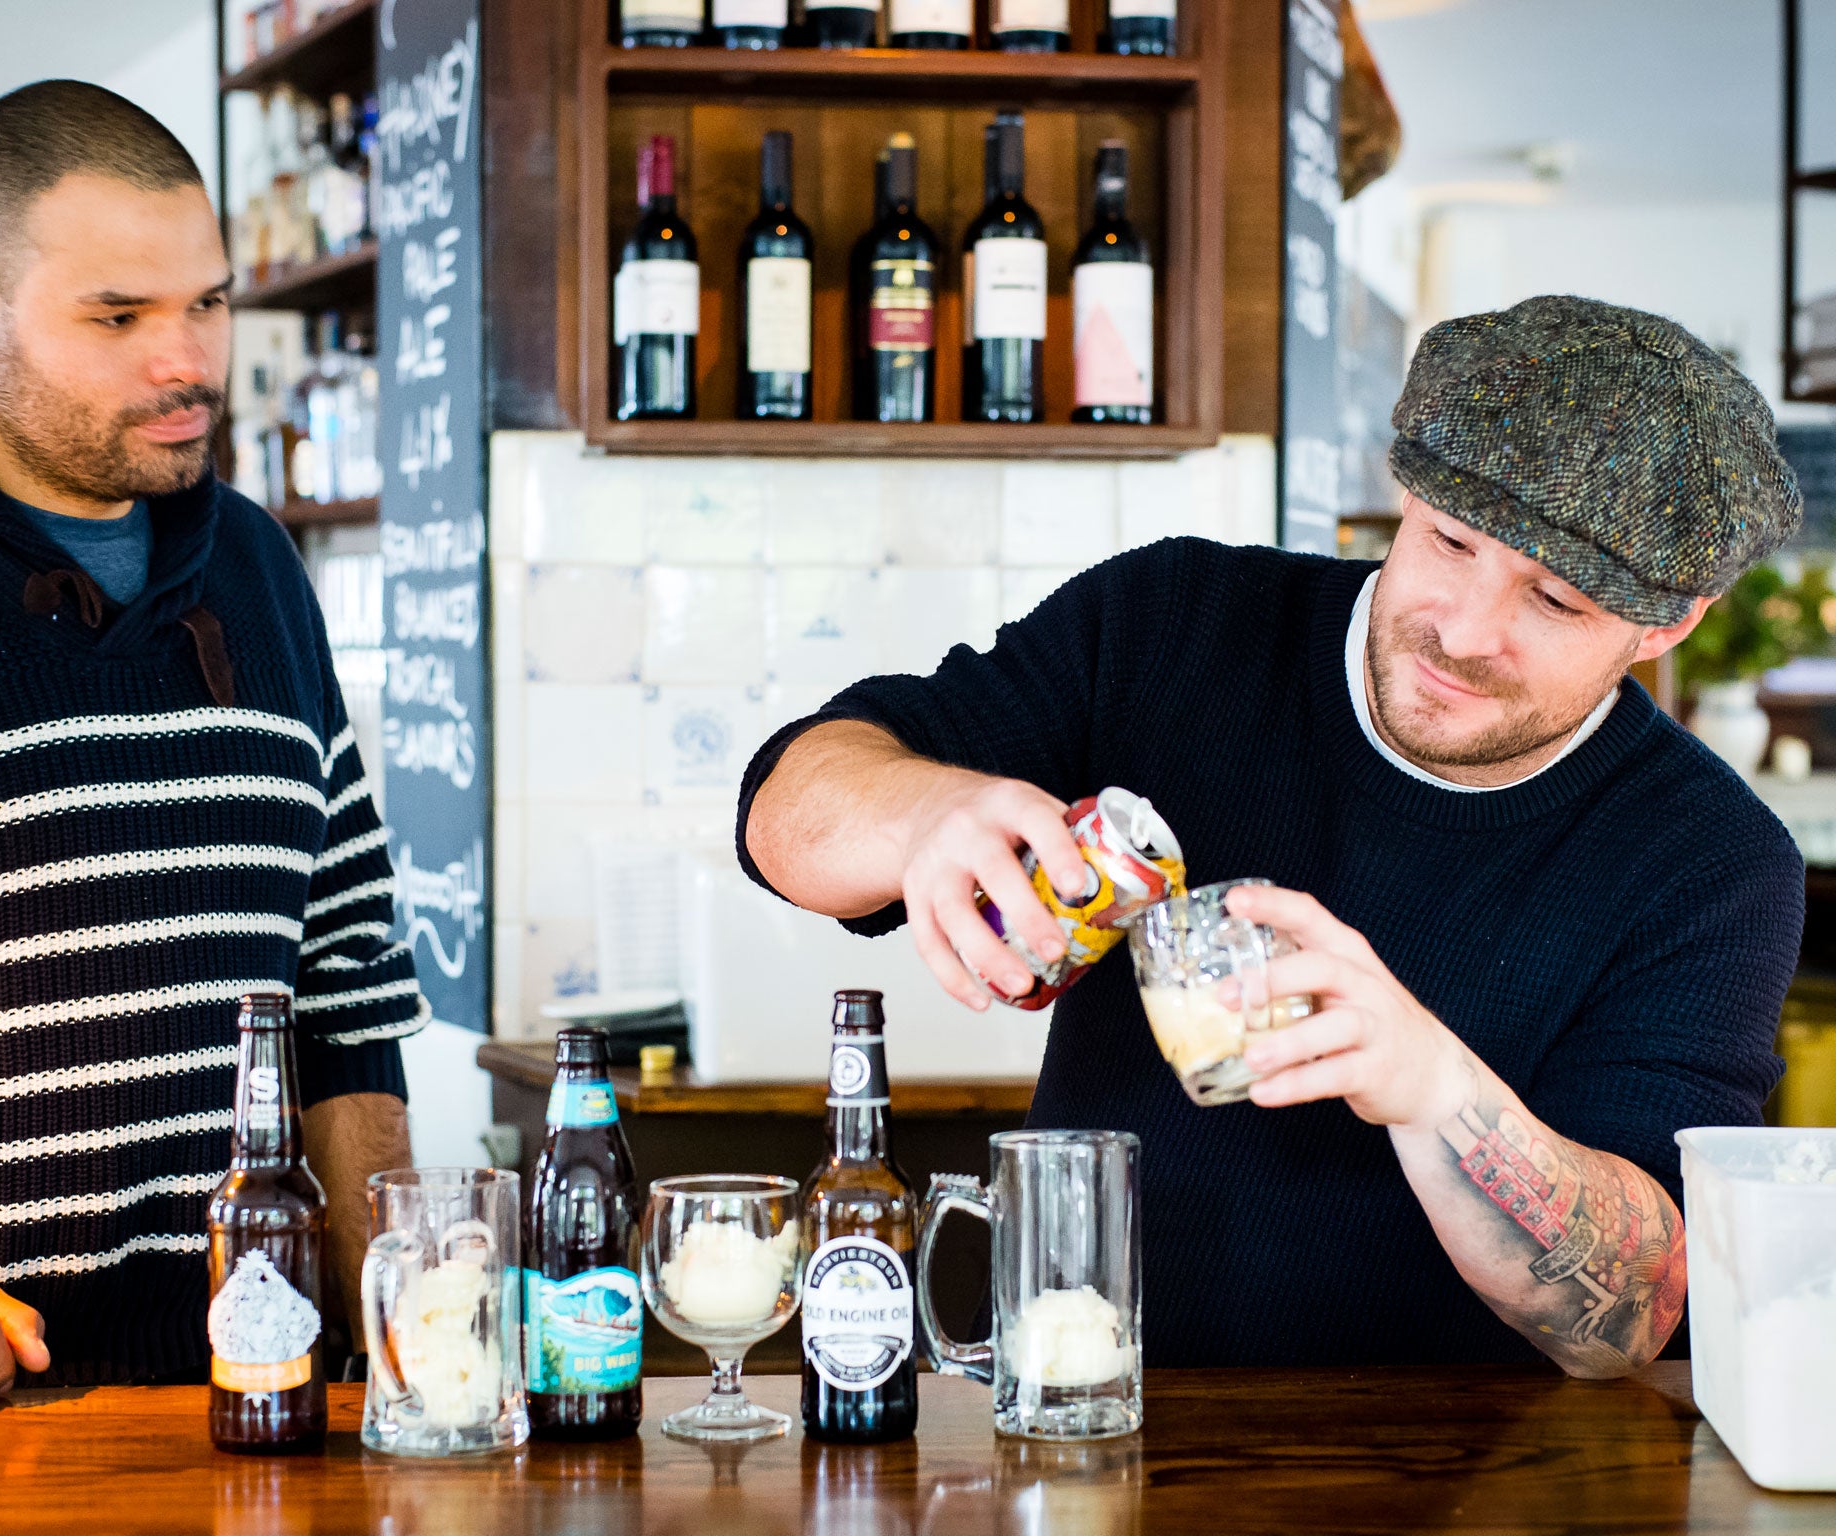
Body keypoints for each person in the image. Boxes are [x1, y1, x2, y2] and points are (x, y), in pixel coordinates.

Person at [741, 296, 1806, 1378]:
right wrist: (924, 812)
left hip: (1459, 1482)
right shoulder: (1174, 620)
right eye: (1448, 542)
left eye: (1555, 601)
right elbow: (783, 815)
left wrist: (1430, 1086)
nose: (1463, 631)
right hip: (1078, 1417)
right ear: (1405, 492)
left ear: (1667, 624)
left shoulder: (1710, 863)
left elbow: (1632, 1317)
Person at [0, 81, 426, 1406]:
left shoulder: (258, 568)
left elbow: (345, 989)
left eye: (206, 303)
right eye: (119, 317)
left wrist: (400, 1342)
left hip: (255, 1414)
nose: (187, 361)